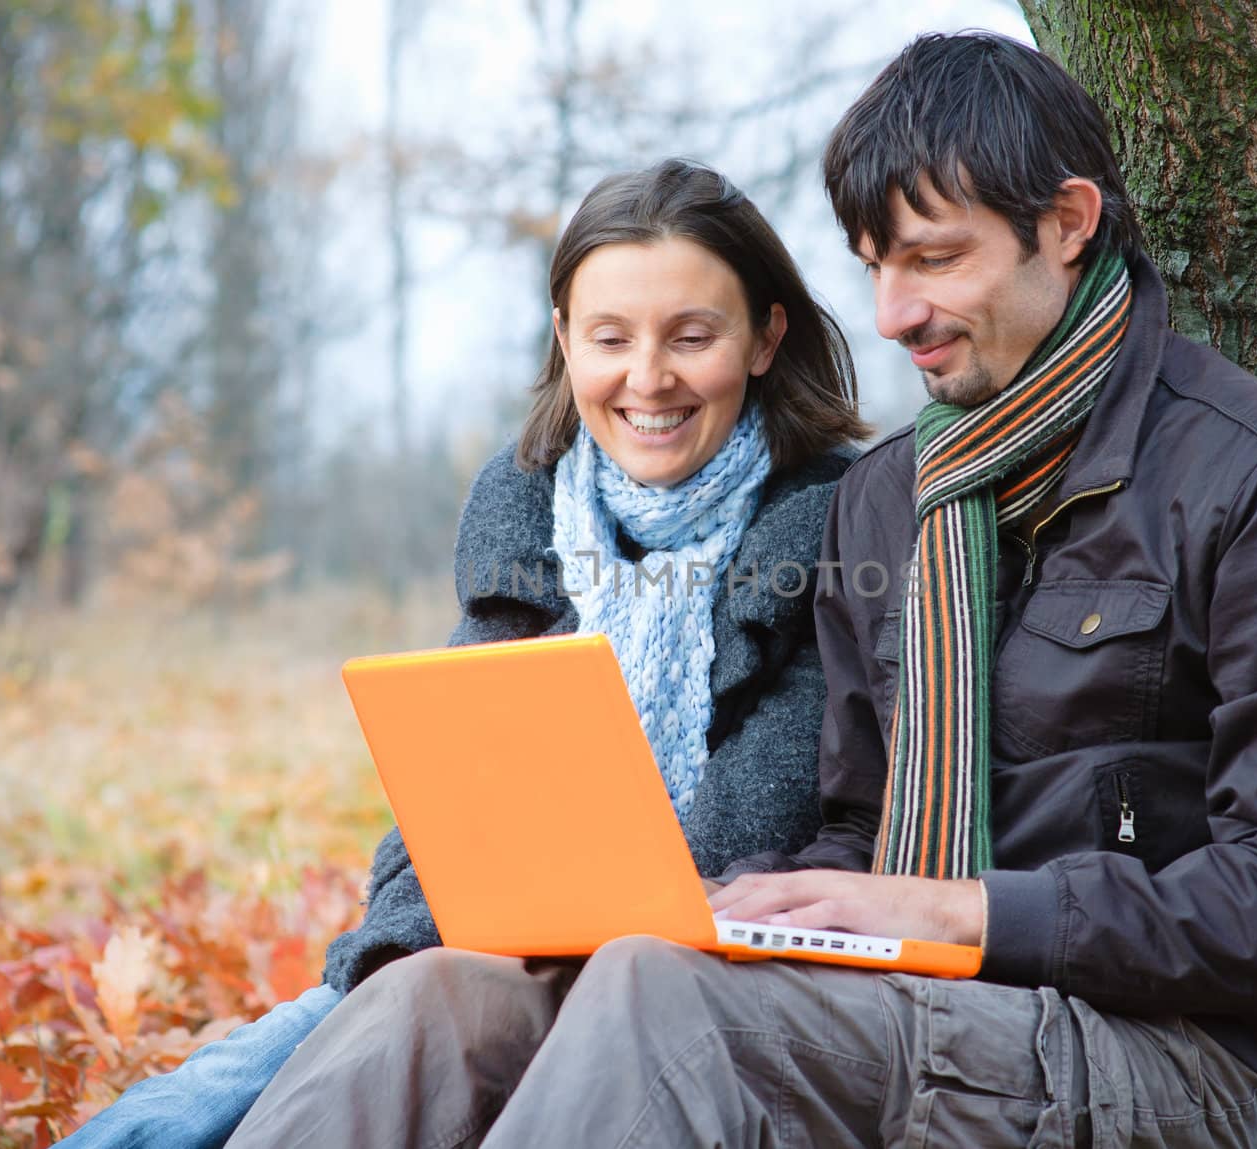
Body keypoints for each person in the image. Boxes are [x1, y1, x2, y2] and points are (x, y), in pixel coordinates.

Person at [224, 33, 1257, 1149]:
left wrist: (967, 914)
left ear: (1066, 223)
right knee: (438, 998)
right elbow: (861, 816)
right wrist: (752, 902)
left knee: (662, 998)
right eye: (875, 266)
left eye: (936, 259)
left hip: (1149, 1048)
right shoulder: (891, 497)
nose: (895, 313)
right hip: (893, 997)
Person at [55, 157, 869, 1148]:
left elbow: (758, 816)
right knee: (208, 1097)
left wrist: (522, 910)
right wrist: (394, 959)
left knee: (350, 1047)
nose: (647, 377)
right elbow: (441, 810)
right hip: (486, 940)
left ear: (764, 338)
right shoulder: (530, 509)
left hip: (675, 978)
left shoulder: (831, 521)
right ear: (565, 341)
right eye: (609, 338)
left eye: (691, 337)